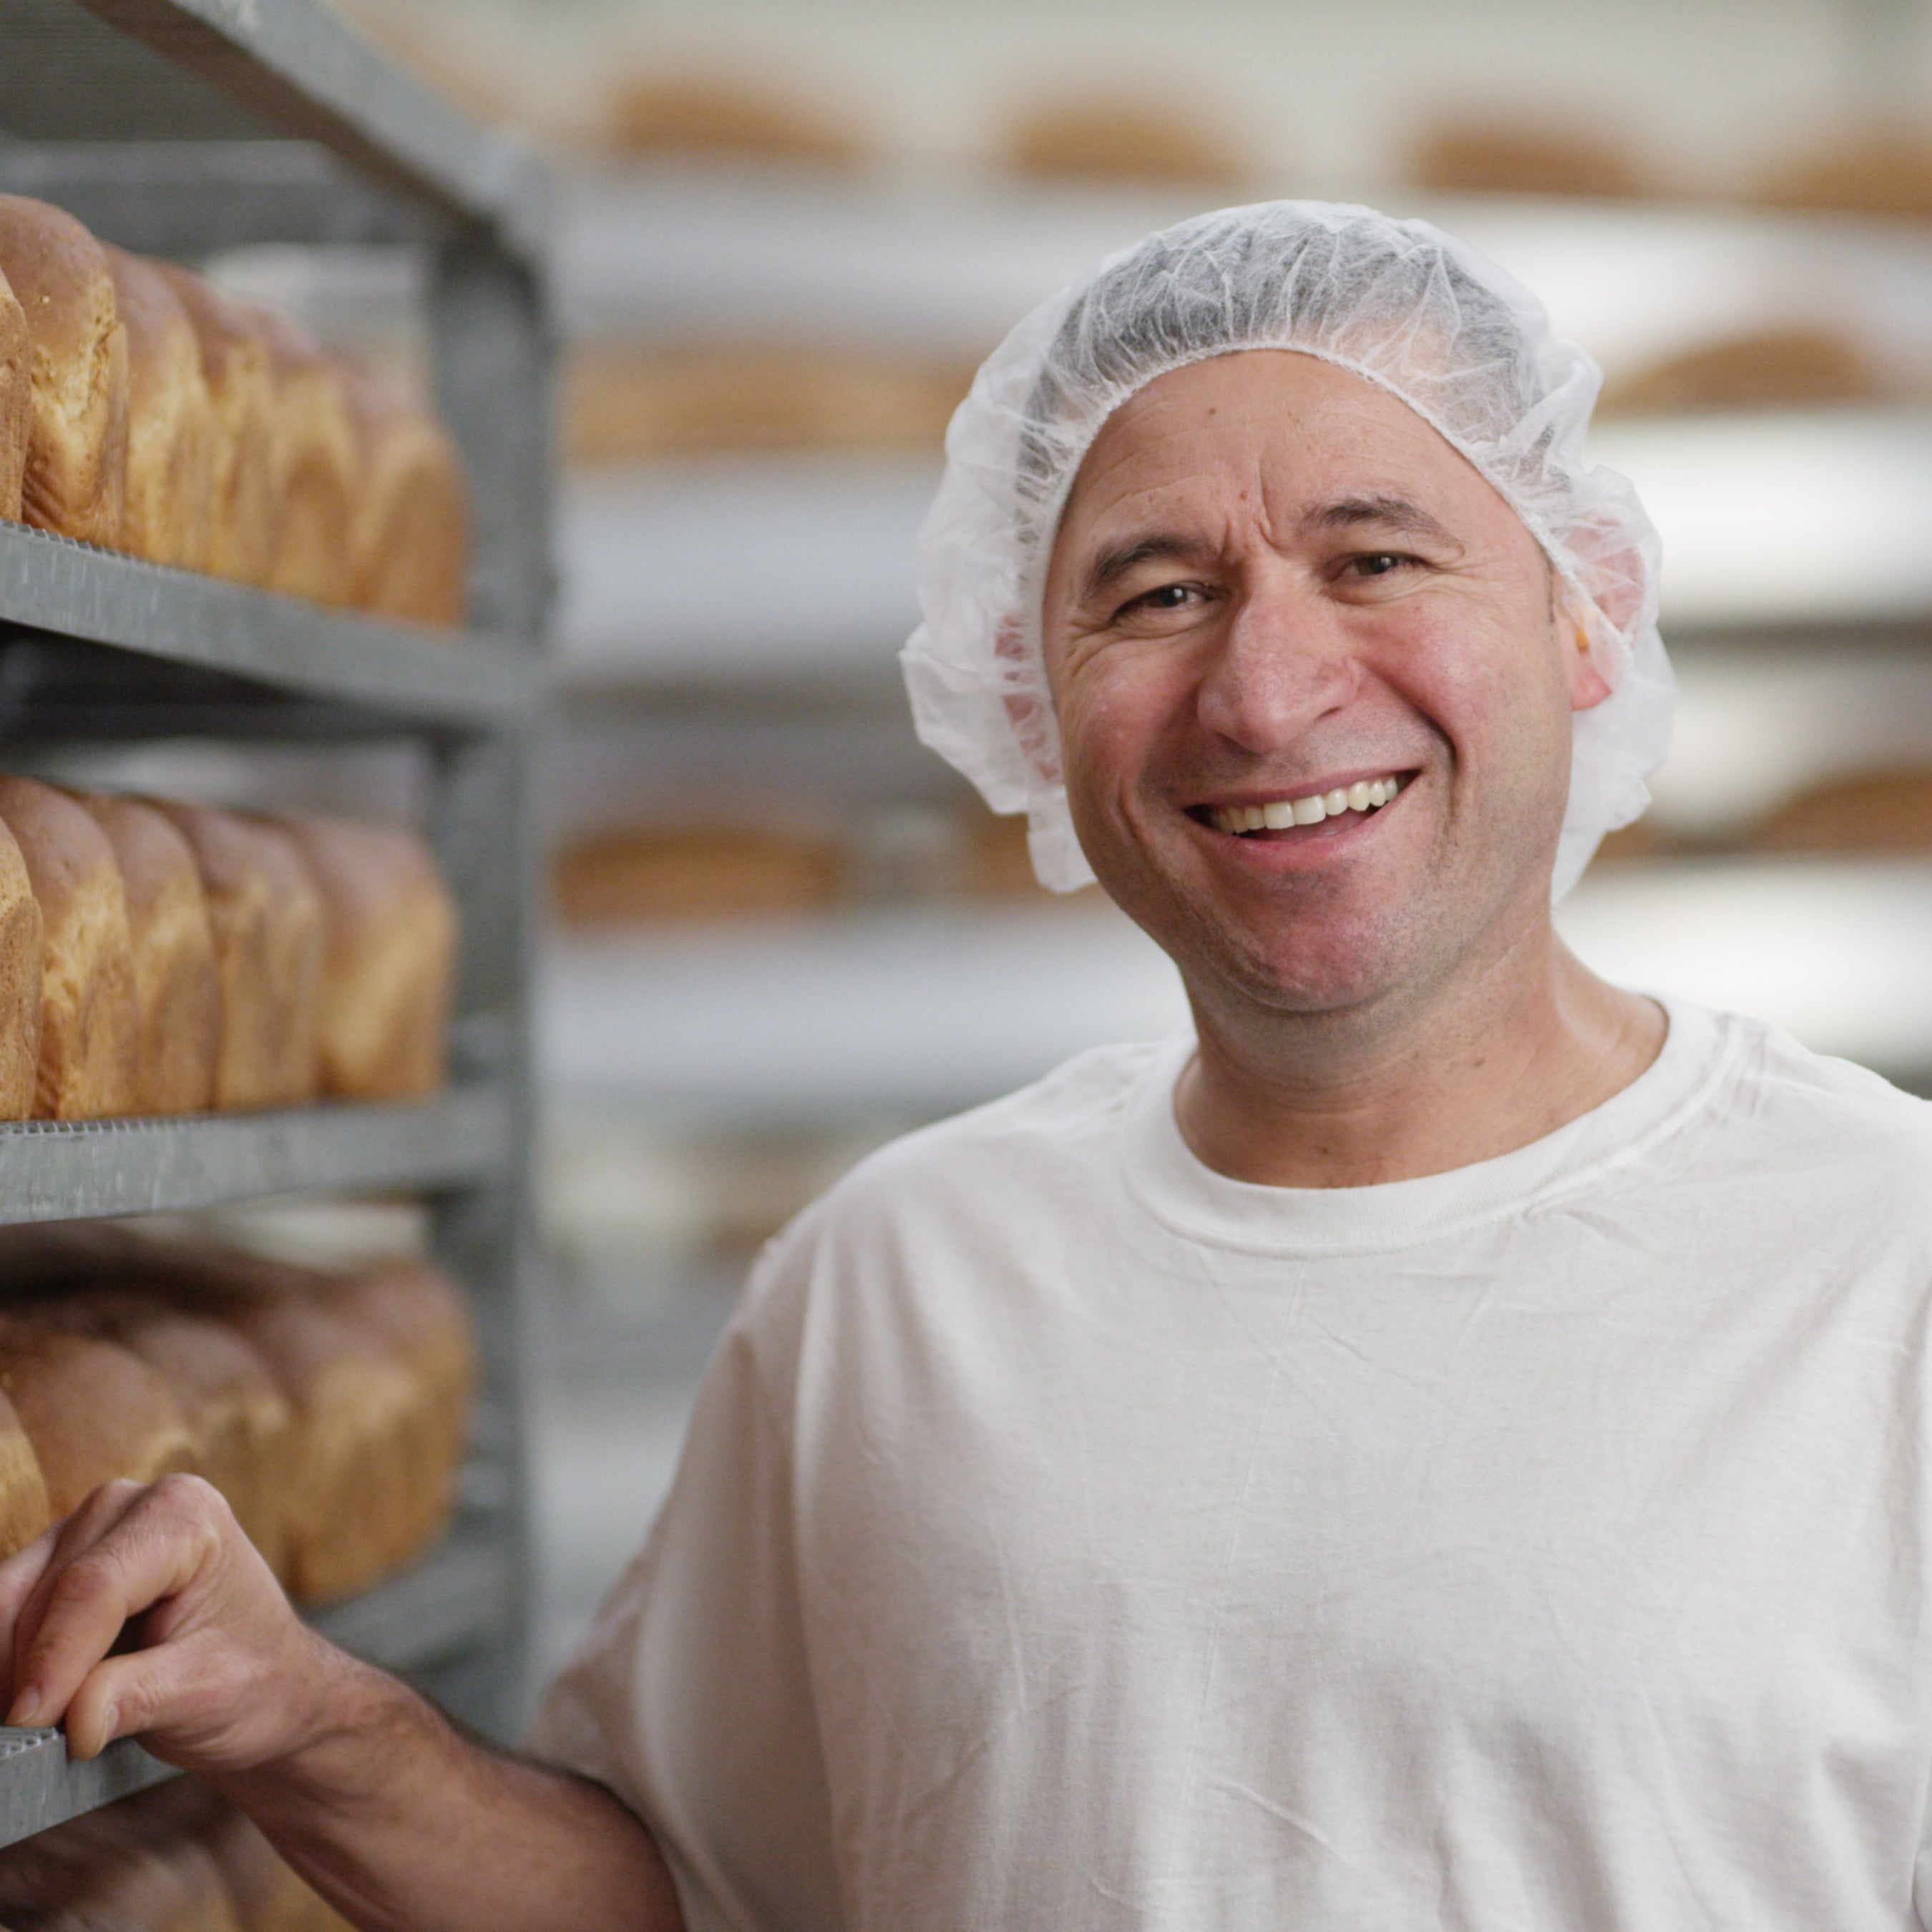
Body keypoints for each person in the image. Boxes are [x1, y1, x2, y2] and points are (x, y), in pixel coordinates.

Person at [2, 200, 1928, 1932]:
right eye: (1157, 591)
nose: (1264, 692)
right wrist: (304, 1713)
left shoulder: (1877, 1262)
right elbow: (682, 1900)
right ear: (1031, 695)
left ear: (1582, 612)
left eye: (1374, 556)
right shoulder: (897, 1282)